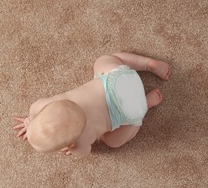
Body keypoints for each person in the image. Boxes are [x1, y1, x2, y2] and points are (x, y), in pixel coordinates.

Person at [13, 52, 171, 157]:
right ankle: (148, 64)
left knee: (112, 142)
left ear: (69, 143)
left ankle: (145, 104)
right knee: (102, 61)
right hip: (120, 79)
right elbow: (34, 110)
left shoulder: (81, 140)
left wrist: (74, 149)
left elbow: (84, 152)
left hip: (131, 111)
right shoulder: (43, 105)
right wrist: (30, 120)